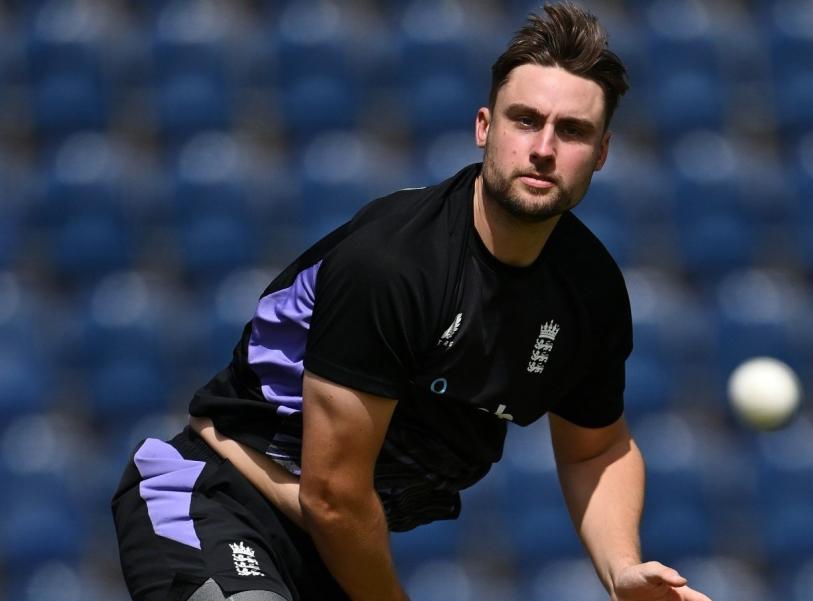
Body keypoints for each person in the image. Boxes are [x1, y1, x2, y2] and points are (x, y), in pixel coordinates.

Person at [111, 3, 712, 601]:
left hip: (338, 551)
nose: (544, 148)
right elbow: (333, 495)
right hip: (216, 499)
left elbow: (597, 450)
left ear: (602, 152)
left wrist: (620, 570)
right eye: (525, 120)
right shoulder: (396, 264)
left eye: (573, 130)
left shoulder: (590, 290)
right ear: (485, 127)